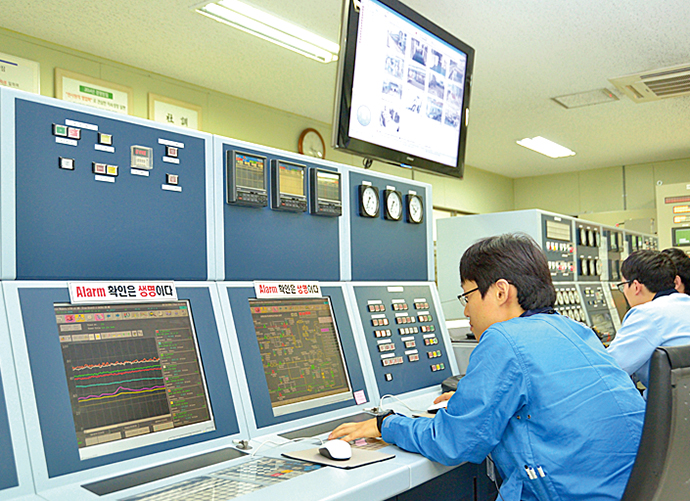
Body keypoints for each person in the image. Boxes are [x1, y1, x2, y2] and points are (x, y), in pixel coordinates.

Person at [330, 234, 645, 501]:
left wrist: (386, 425)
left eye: (467, 295)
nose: (466, 309)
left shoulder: (503, 338)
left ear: (501, 291)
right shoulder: (574, 330)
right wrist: (471, 403)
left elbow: (452, 442)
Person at [607, 249, 690, 394]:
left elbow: (611, 367)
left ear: (636, 286)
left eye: (623, 286)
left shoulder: (647, 314)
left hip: (668, 412)